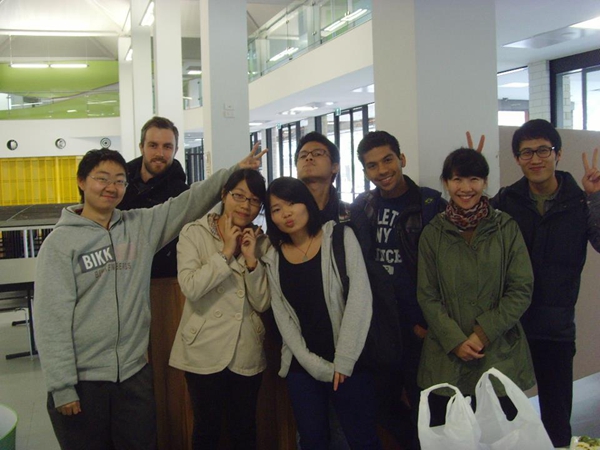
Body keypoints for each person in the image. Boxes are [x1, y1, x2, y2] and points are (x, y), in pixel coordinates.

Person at [34, 146, 265, 450]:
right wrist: (62, 386)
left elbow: (186, 203)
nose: (111, 187)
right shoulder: (60, 243)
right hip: (83, 379)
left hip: (133, 374)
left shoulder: (139, 227)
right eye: (102, 178)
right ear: (81, 181)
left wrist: (234, 170)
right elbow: (51, 318)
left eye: (119, 180)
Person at [491, 119, 600, 447]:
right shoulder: (506, 200)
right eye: (527, 153)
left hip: (556, 327)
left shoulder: (579, 201)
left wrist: (596, 198)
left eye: (543, 150)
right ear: (517, 158)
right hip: (511, 326)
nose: (535, 159)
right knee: (506, 415)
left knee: (556, 417)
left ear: (558, 154)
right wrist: (472, 184)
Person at [417, 148, 535, 425]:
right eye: (457, 179)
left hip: (499, 354)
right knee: (449, 437)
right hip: (446, 359)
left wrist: (482, 334)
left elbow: (521, 289)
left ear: (485, 182)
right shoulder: (433, 233)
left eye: (474, 179)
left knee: (502, 436)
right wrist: (456, 340)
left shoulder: (506, 228)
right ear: (446, 183)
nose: (466, 188)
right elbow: (427, 295)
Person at [262, 177, 380, 450]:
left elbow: (360, 298)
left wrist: (344, 360)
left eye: (292, 203)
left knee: (362, 439)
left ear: (307, 203)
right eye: (277, 209)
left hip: (349, 361)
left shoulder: (339, 236)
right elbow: (283, 318)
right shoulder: (273, 256)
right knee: (313, 440)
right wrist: (312, 365)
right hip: (302, 367)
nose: (286, 213)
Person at [350, 130, 445, 448]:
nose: (382, 170)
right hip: (380, 328)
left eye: (387, 160)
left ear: (401, 159)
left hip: (419, 326)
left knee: (428, 409)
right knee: (382, 406)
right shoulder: (362, 207)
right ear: (365, 171)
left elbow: (446, 268)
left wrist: (431, 323)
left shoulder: (429, 204)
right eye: (372, 165)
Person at [169, 169, 270, 449]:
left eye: (254, 200)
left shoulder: (261, 241)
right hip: (204, 346)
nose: (245, 205)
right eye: (239, 196)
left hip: (245, 346)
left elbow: (262, 302)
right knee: (206, 430)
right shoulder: (194, 233)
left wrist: (251, 261)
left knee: (244, 430)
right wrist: (225, 252)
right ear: (224, 195)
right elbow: (191, 287)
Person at [119, 116, 189, 278]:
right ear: (141, 147)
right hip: (120, 275)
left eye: (167, 147)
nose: (160, 153)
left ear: (176, 150)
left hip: (164, 278)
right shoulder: (119, 185)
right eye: (153, 145)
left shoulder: (182, 195)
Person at [295, 131, 350, 223]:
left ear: (335, 167)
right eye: (303, 156)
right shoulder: (287, 214)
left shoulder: (349, 214)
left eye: (318, 154)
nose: (308, 158)